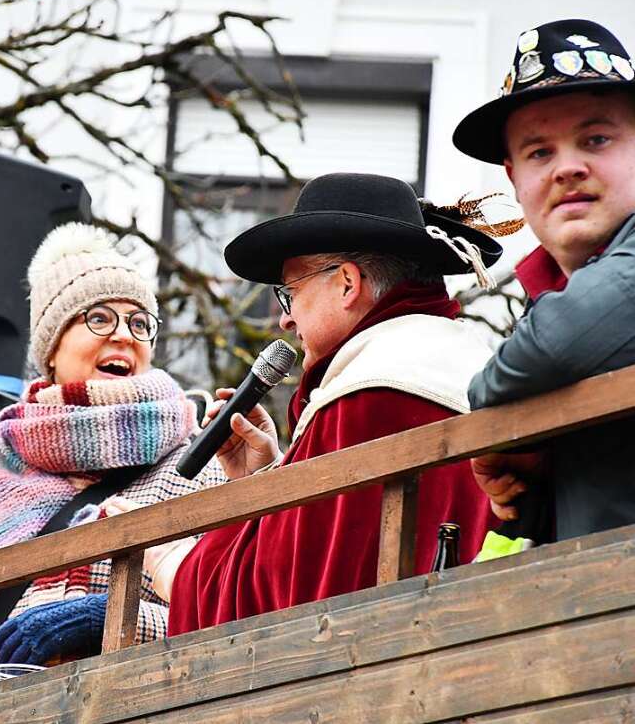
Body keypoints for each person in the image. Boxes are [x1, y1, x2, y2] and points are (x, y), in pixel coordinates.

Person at [162, 172, 504, 635]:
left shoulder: (370, 396)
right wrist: (265, 480)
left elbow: (287, 600)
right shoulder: (456, 361)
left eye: (291, 291)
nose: (285, 318)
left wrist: (171, 566)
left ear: (346, 284)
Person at [0, 222, 222, 698]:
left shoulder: (197, 463)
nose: (124, 335)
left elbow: (228, 616)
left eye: (140, 323)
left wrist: (108, 619)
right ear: (51, 348)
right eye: (99, 317)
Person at [454, 18, 635, 540]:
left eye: (596, 139)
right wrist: (530, 467)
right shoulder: (545, 295)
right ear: (512, 177)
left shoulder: (564, 314)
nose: (567, 168)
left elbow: (555, 344)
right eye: (540, 152)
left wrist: (491, 406)